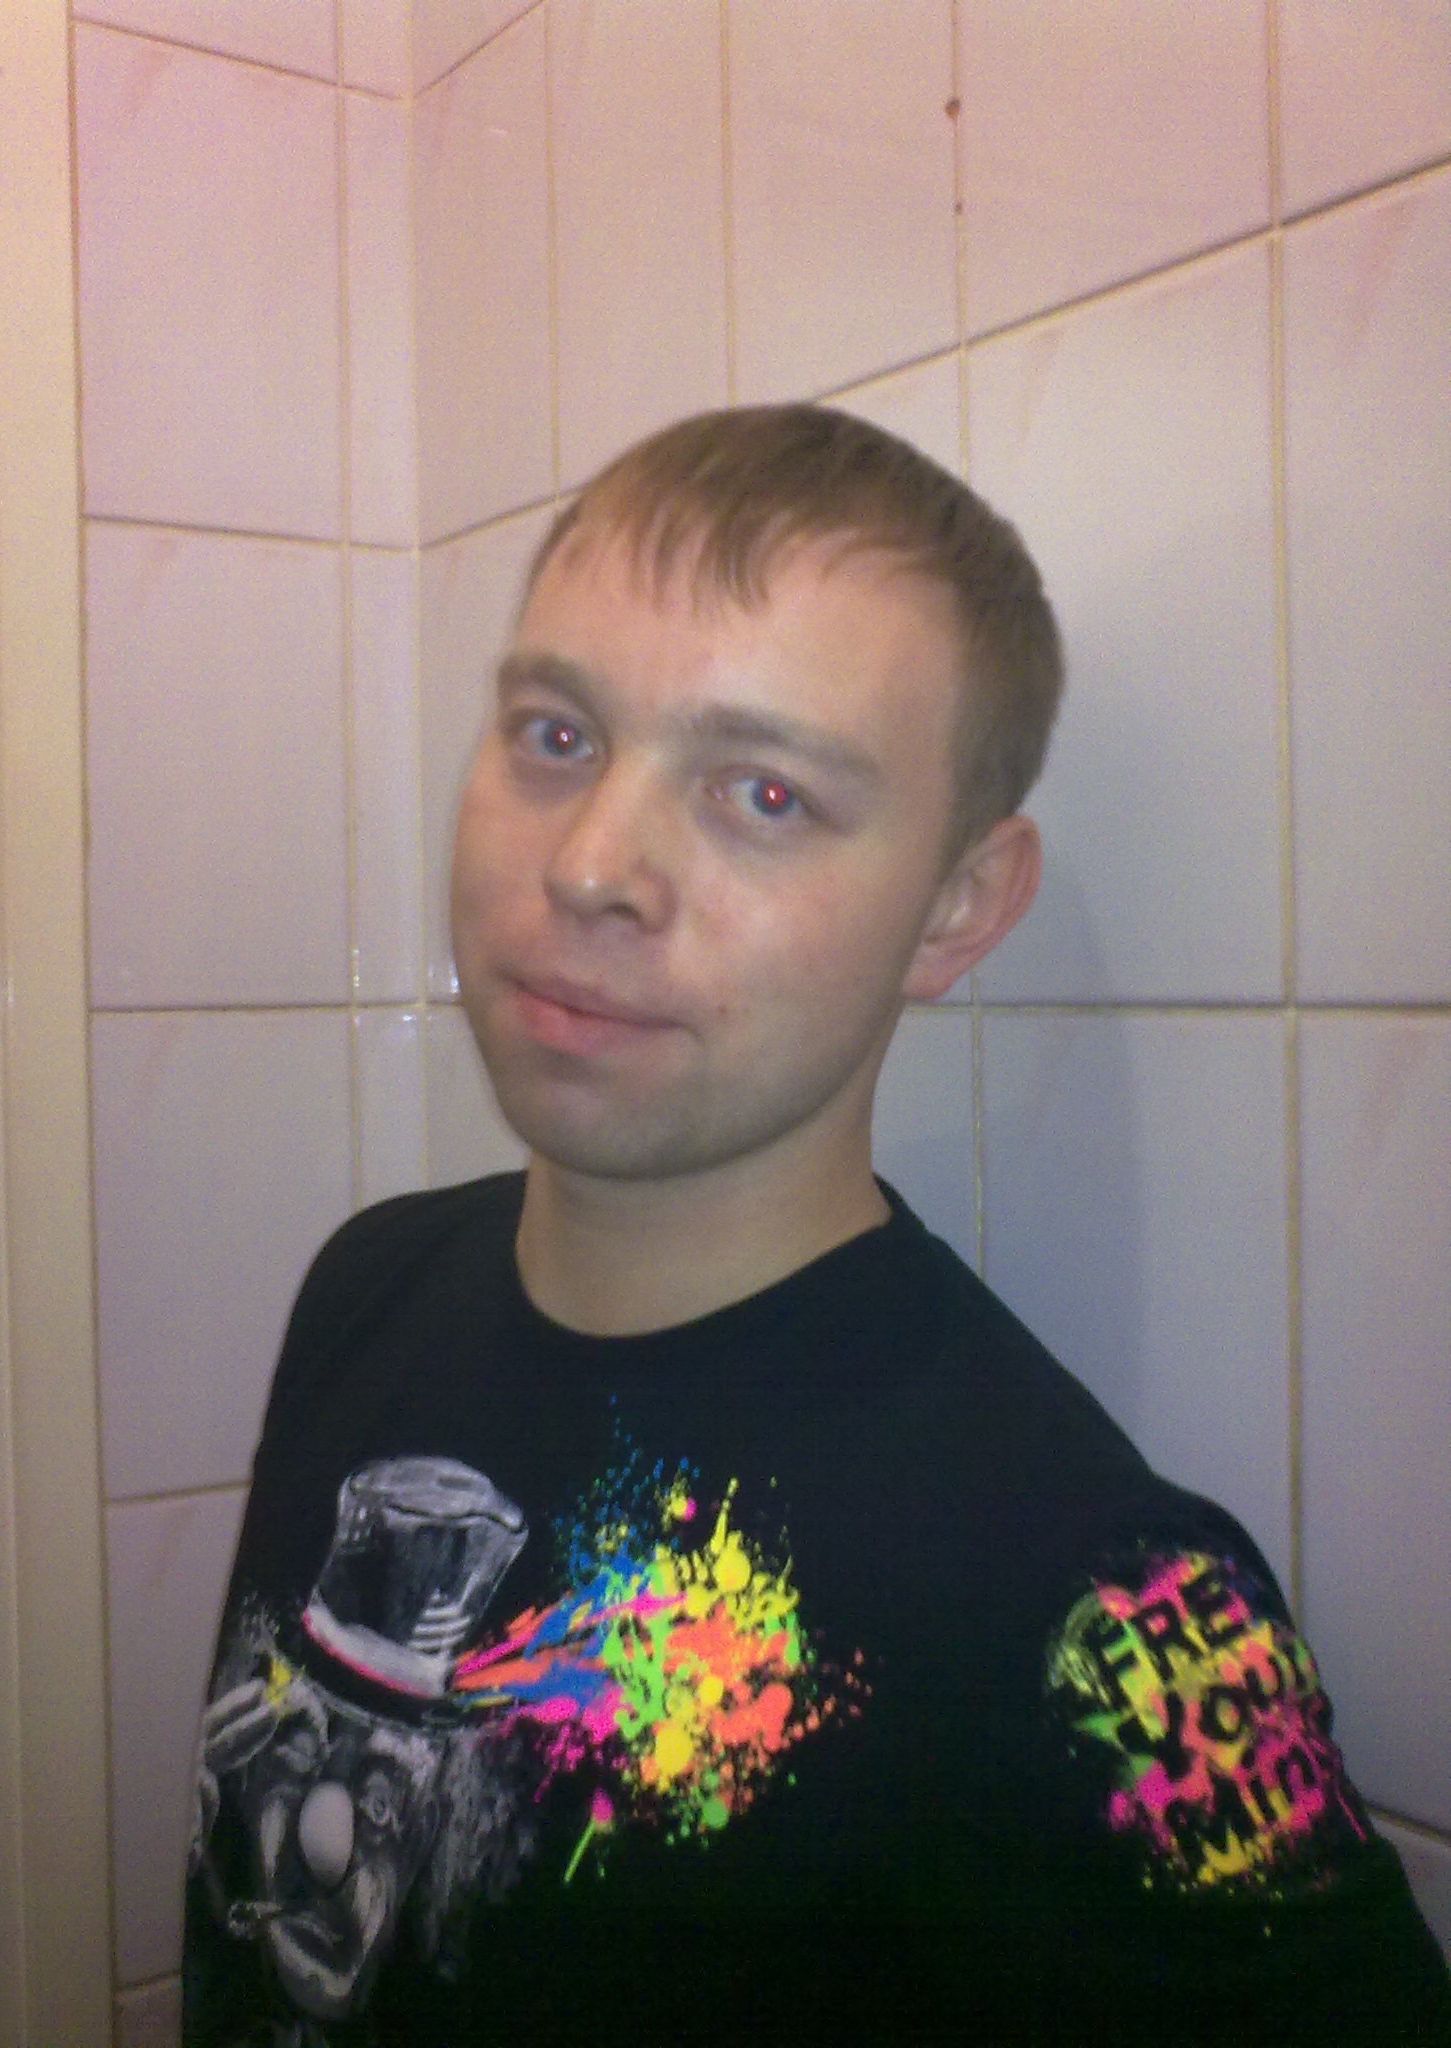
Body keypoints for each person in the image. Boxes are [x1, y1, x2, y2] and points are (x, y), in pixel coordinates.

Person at [183, 405, 1451, 2045]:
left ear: (957, 908)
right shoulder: (367, 1285)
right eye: (557, 734)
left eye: (765, 793)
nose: (592, 866)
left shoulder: (1088, 1603)